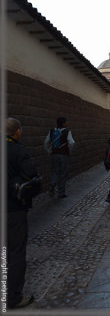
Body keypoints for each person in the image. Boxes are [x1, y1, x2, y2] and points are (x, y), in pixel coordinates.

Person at [6, 117, 38, 309]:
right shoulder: (18, 150)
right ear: (17, 131)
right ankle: (13, 297)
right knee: (16, 251)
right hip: (13, 208)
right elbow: (32, 175)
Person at [44, 117, 75, 198]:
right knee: (63, 173)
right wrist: (69, 152)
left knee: (55, 171)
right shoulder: (67, 131)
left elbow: (46, 142)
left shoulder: (52, 131)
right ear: (64, 123)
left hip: (54, 154)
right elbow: (71, 143)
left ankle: (52, 184)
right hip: (64, 154)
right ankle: (61, 193)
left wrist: (49, 151)